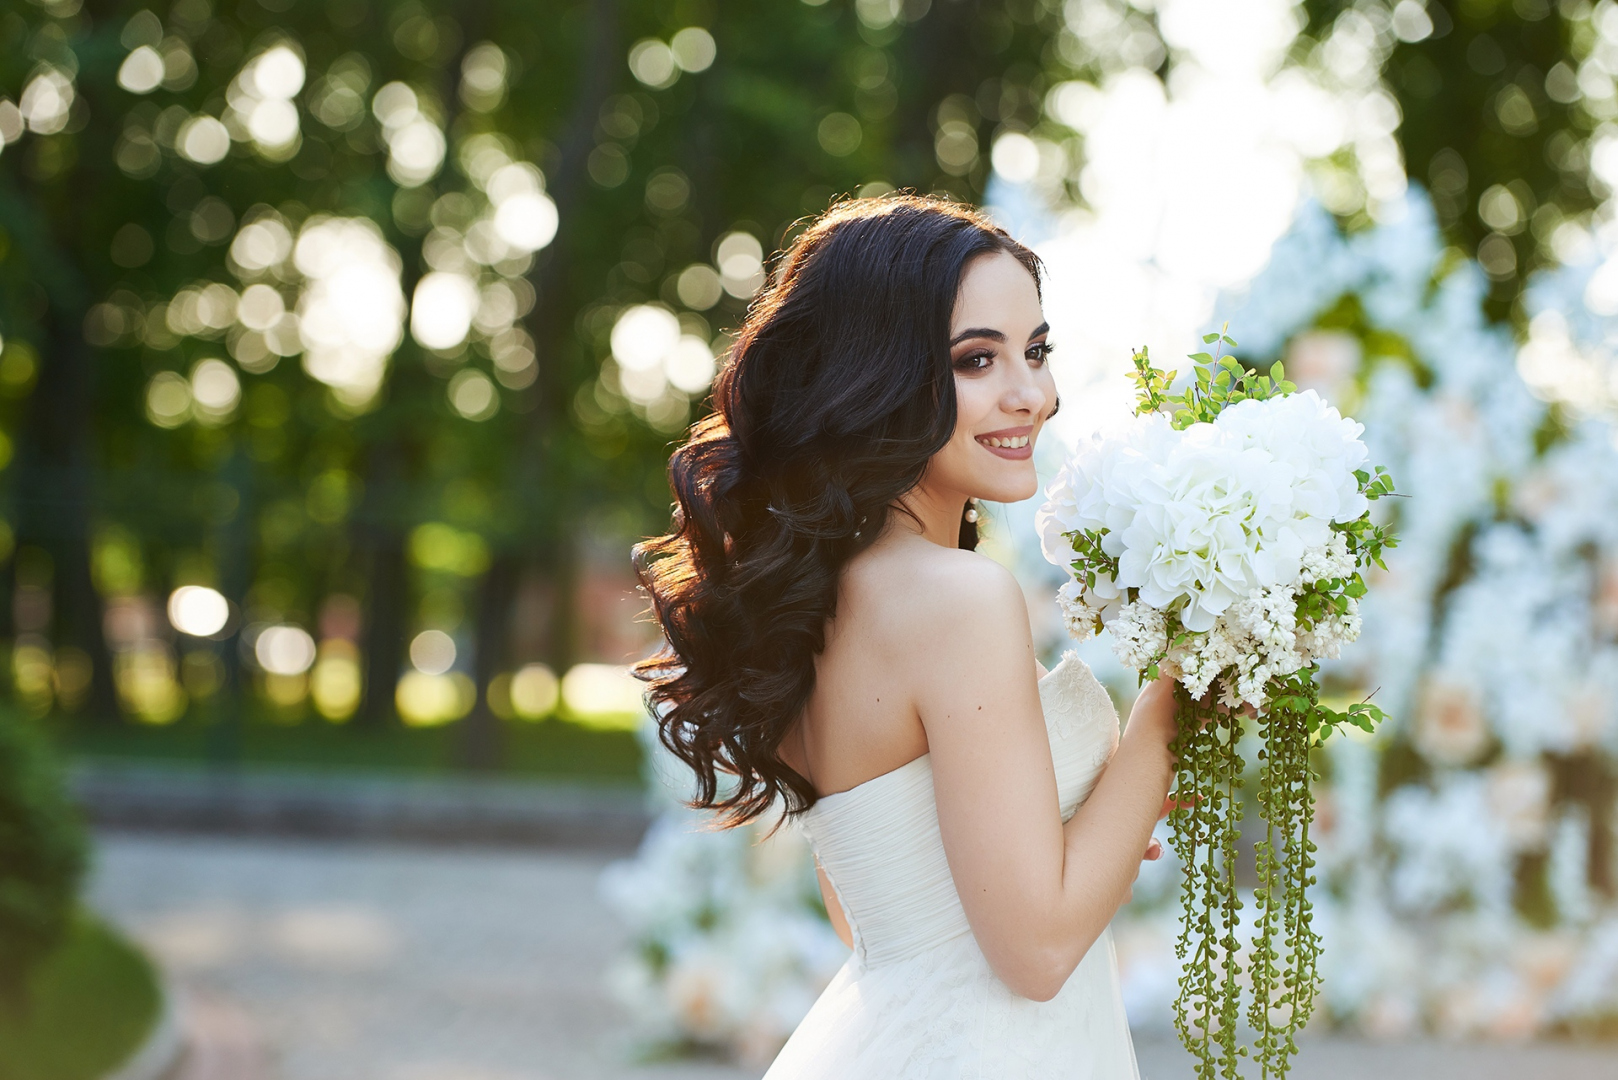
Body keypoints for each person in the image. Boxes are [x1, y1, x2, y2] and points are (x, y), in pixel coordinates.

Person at [634, 194, 1178, 1078]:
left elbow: (877, 916)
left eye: (1036, 352)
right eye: (977, 360)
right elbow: (1036, 953)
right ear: (875, 373)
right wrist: (1170, 707)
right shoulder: (958, 601)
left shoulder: (817, 598)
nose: (1030, 395)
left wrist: (1091, 827)